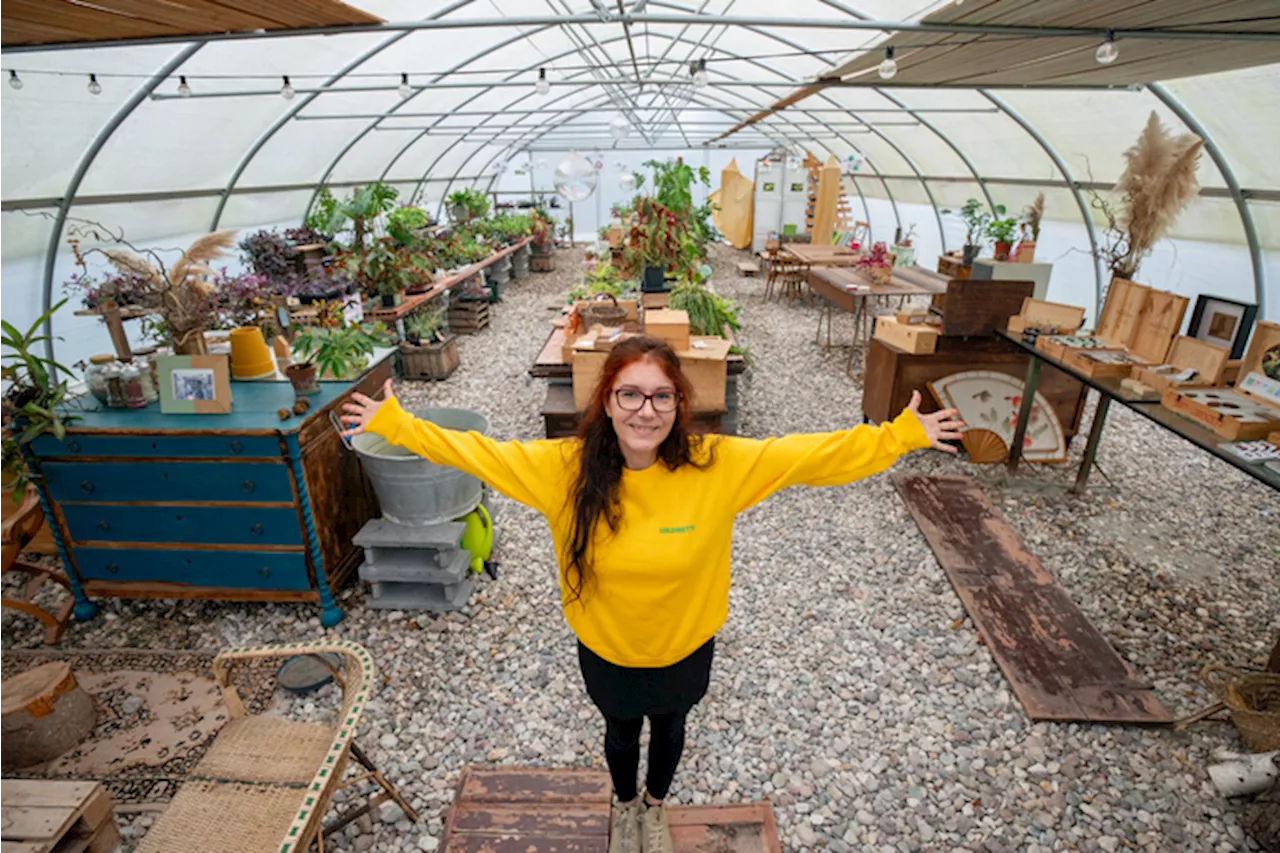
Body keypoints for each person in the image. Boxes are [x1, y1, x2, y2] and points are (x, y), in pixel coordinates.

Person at [340, 336, 963, 853]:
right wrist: (397, 424)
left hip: (685, 644)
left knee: (670, 728)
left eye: (662, 396)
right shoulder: (563, 469)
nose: (646, 410)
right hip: (606, 646)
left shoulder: (715, 465)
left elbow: (806, 456)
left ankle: (654, 808)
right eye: (630, 394)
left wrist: (900, 435)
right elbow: (478, 452)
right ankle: (624, 804)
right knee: (619, 732)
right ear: (607, 402)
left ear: (678, 404)